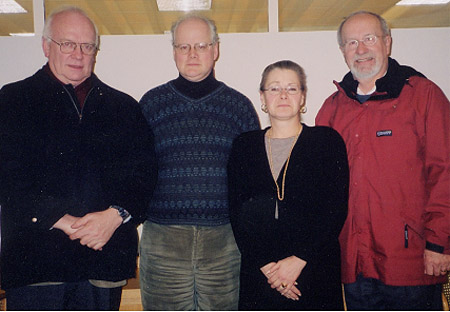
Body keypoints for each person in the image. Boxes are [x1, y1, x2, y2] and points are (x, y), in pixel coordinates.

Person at [0, 6, 157, 310]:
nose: (78, 54)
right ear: (46, 46)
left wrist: (115, 216)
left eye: (86, 46)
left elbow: (145, 175)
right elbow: (8, 176)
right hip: (36, 265)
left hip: (104, 262)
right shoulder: (12, 100)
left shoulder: (123, 107)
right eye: (67, 44)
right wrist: (61, 220)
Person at [316, 11, 450, 310]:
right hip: (354, 265)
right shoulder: (332, 108)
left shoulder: (424, 96)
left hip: (411, 263)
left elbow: (445, 173)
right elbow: (321, 187)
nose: (360, 50)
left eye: (369, 39)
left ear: (387, 43)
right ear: (342, 51)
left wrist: (439, 244)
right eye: (351, 42)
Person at [138, 14, 260, 311]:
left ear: (215, 50)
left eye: (201, 45)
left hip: (224, 243)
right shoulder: (151, 104)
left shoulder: (239, 106)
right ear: (174, 51)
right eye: (183, 47)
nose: (192, 54)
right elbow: (136, 172)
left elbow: (253, 180)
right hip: (164, 242)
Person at [228, 60, 349, 310]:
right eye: (274, 88)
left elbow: (335, 209)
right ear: (262, 97)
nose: (283, 95)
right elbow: (236, 212)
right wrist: (268, 269)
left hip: (314, 267)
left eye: (292, 88)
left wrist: (299, 260)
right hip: (261, 273)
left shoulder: (327, 141)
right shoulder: (244, 145)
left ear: (303, 97)